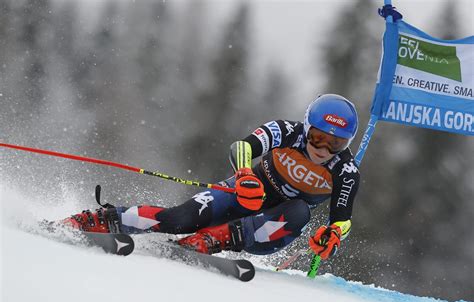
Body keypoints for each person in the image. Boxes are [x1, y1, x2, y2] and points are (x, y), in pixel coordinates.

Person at [62, 94, 360, 260]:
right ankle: (103, 219)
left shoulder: (345, 171)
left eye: (337, 143)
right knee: (178, 219)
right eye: (319, 137)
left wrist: (332, 235)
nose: (324, 149)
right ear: (307, 127)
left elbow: (342, 219)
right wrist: (244, 175)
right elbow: (243, 146)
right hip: (242, 195)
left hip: (272, 228)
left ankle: (208, 242)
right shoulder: (286, 131)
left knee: (299, 210)